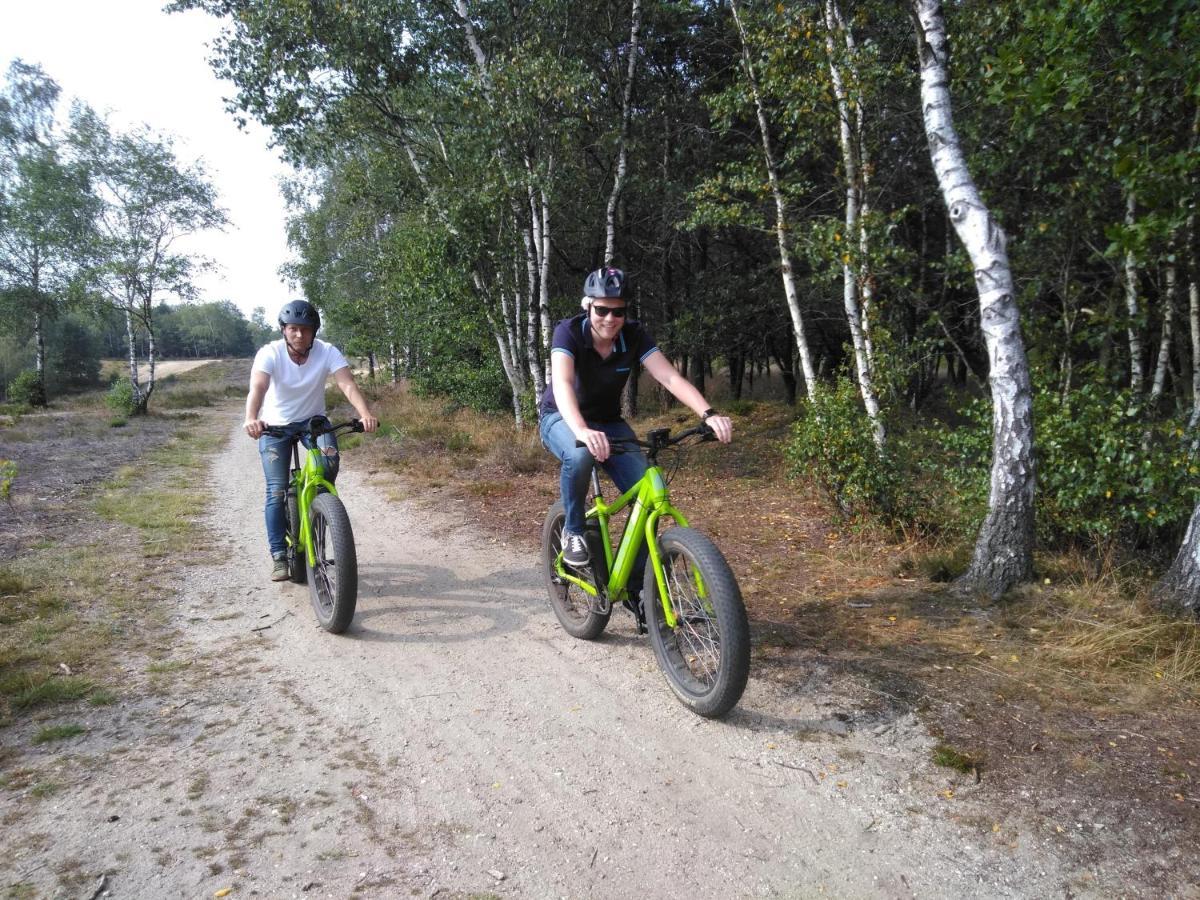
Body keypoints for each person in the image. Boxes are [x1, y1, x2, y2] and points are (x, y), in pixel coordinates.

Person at [538, 267, 733, 623]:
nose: (610, 319)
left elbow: (669, 375)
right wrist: (580, 428)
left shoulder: (635, 336)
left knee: (649, 495)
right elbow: (563, 384)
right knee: (579, 457)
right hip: (561, 417)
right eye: (602, 310)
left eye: (619, 311)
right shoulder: (568, 331)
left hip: (609, 423)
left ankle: (637, 591)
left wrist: (708, 412)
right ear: (588, 307)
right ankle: (574, 530)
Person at [243, 300, 379, 581]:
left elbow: (347, 384)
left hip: (312, 423)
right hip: (274, 427)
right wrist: (251, 417)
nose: (299, 335)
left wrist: (365, 413)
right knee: (277, 489)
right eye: (293, 329)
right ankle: (279, 555)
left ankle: (319, 508)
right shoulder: (270, 353)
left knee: (328, 465)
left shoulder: (327, 351)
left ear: (314, 331)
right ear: (284, 330)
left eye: (305, 330)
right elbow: (259, 386)